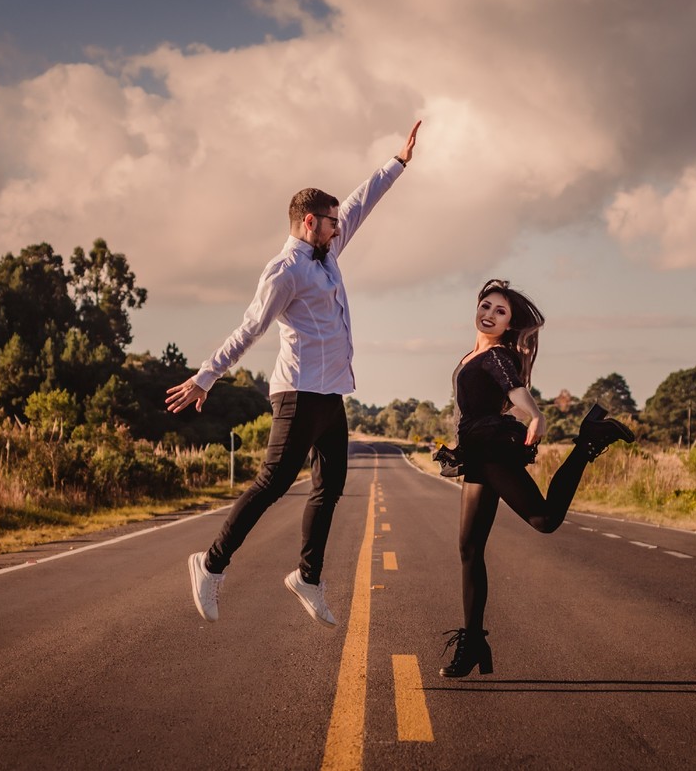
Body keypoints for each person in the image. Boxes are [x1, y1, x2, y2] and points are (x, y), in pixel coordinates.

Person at [167, 120, 421, 628]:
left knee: (330, 487)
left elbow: (359, 202)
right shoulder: (286, 271)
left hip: (330, 394)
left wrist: (397, 163)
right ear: (309, 222)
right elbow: (251, 326)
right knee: (273, 481)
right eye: (329, 221)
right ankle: (211, 564)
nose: (338, 225)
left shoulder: (328, 253)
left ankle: (307, 577)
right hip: (298, 392)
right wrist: (207, 376)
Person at [438, 278, 634, 676]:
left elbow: (515, 390)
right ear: (476, 307)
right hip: (476, 454)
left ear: (509, 324)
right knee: (469, 550)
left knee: (543, 520)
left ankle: (587, 442)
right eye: (487, 306)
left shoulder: (496, 356)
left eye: (500, 312)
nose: (490, 315)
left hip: (491, 451)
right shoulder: (471, 355)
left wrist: (537, 414)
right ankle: (473, 642)